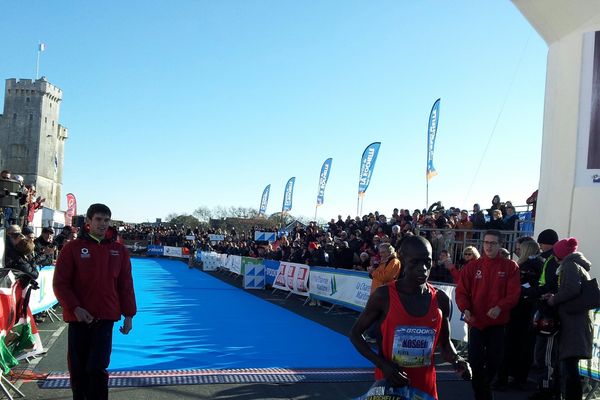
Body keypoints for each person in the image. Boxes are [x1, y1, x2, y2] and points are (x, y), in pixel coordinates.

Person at [350, 235, 471, 400]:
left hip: (425, 388)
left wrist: (457, 359)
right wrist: (383, 365)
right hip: (389, 385)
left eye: (427, 262)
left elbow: (445, 344)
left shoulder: (441, 299)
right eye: (415, 262)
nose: (422, 268)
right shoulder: (384, 296)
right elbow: (355, 334)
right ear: (403, 260)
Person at [53, 203, 137, 400]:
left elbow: (126, 285)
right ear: (88, 222)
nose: (102, 224)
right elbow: (60, 284)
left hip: (105, 317)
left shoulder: (119, 251)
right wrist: (75, 308)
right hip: (79, 319)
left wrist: (129, 315)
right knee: (79, 369)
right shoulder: (72, 248)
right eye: (98, 219)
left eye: (106, 220)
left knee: (97, 368)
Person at [456, 230, 521, 400]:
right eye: (486, 242)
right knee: (475, 363)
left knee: (494, 361)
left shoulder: (510, 266)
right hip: (476, 323)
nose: (489, 246)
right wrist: (465, 308)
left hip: (498, 324)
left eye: (493, 243)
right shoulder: (472, 266)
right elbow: (461, 292)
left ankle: (484, 389)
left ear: (500, 245)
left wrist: (500, 307)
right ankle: (483, 395)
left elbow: (514, 294)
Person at [544, 237, 593, 400]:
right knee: (569, 365)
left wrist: (554, 299)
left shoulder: (570, 266)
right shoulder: (575, 265)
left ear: (560, 255)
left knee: (570, 367)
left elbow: (571, 289)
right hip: (576, 321)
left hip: (573, 323)